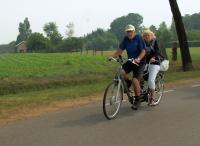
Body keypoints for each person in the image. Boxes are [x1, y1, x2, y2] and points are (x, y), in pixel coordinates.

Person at [111, 24, 146, 109]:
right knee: (121, 71)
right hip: (131, 61)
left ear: (134, 31)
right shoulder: (126, 39)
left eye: (131, 31)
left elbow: (143, 51)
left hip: (140, 62)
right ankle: (128, 82)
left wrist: (138, 58)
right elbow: (120, 50)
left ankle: (137, 99)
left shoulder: (138, 38)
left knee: (135, 79)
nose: (129, 33)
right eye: (128, 32)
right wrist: (113, 56)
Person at [142, 29, 164, 106]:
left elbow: (157, 51)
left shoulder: (155, 42)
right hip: (146, 63)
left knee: (151, 80)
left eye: (148, 35)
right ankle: (140, 95)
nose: (147, 37)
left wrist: (154, 57)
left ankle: (152, 98)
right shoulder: (143, 43)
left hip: (155, 62)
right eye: (145, 35)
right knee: (138, 76)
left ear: (152, 36)